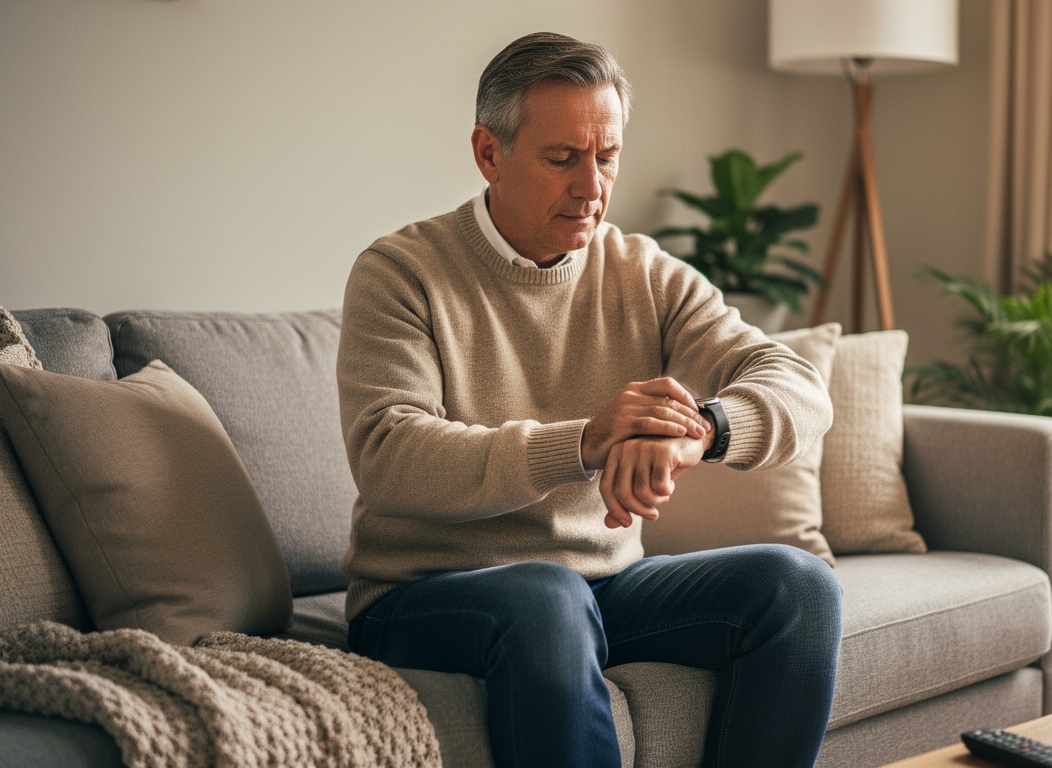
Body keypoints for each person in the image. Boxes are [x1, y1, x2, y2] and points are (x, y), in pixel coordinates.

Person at [337, 31, 842, 768]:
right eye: (563, 158)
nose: (592, 186)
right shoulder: (401, 272)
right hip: (422, 596)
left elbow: (796, 382)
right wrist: (583, 442)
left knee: (798, 588)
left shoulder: (641, 272)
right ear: (489, 152)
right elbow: (390, 455)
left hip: (600, 585)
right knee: (546, 597)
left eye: (606, 157)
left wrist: (701, 429)